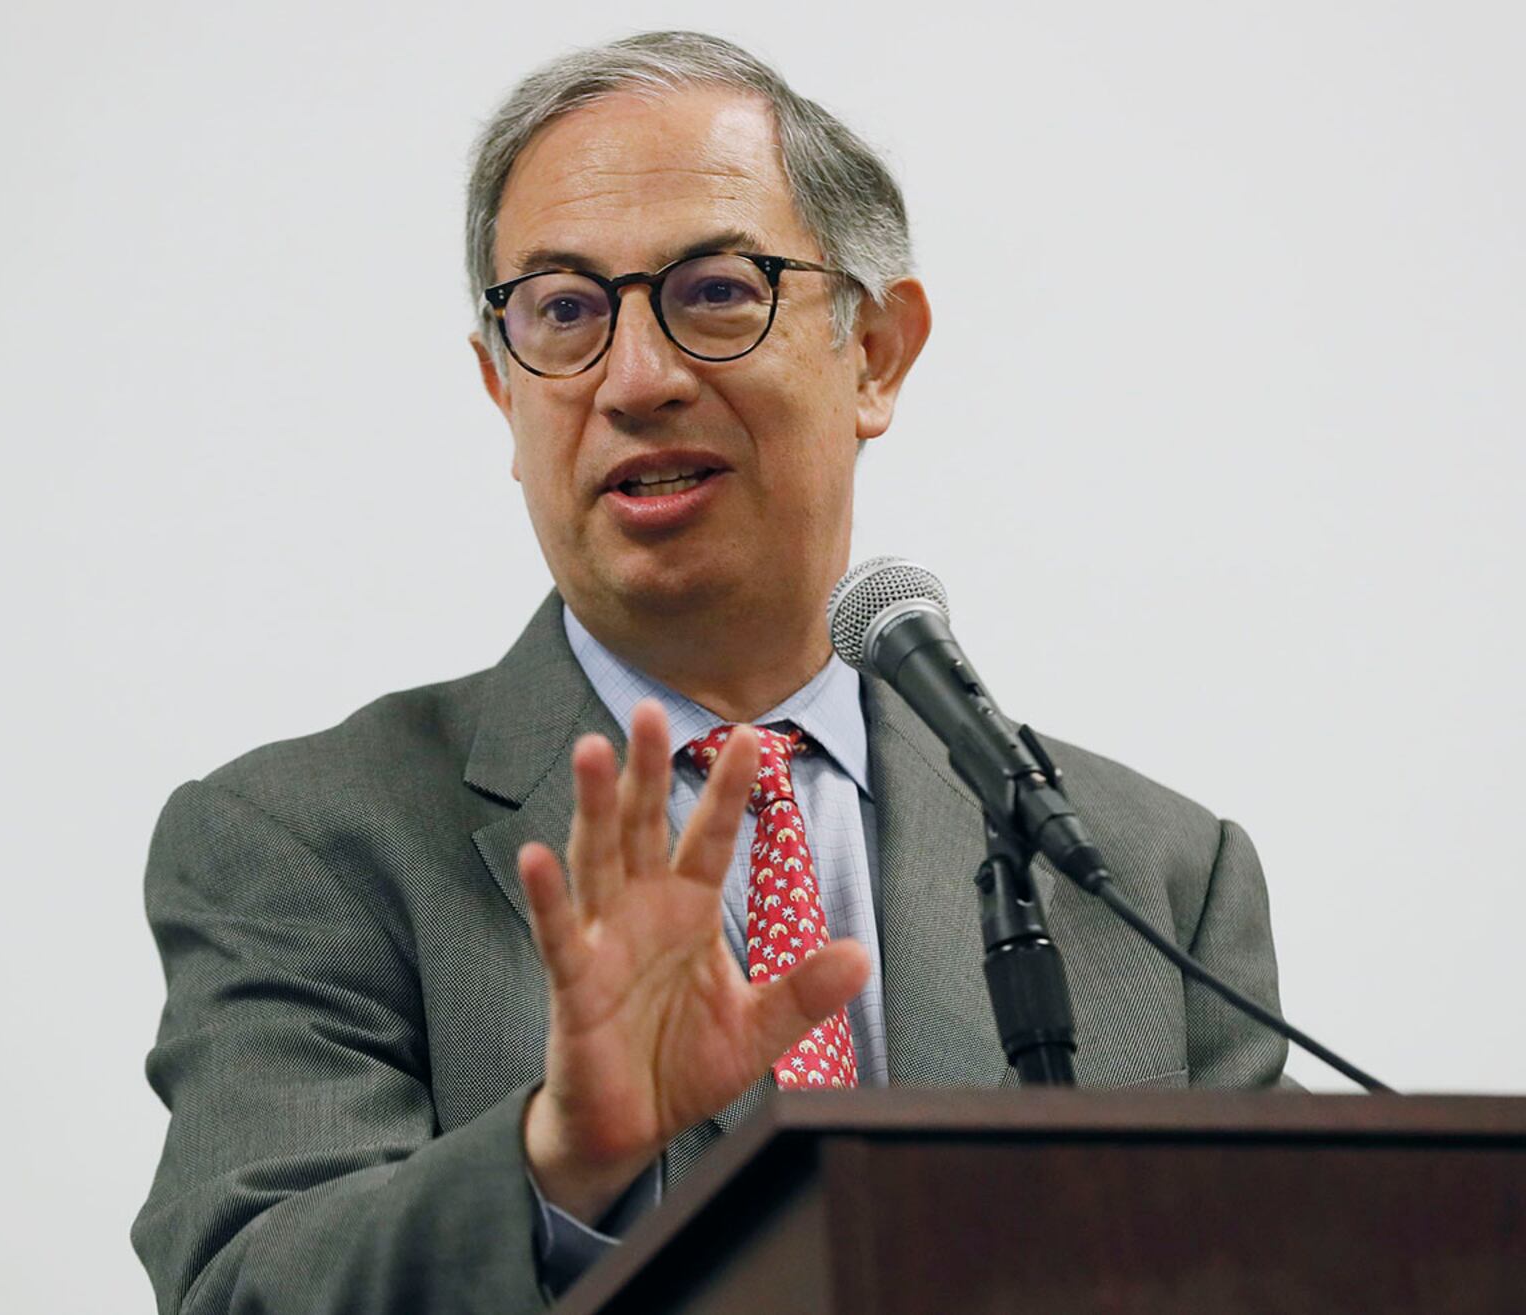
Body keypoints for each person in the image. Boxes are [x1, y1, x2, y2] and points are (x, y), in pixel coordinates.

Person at [132, 30, 1289, 1315]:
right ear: (498, 388)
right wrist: (560, 1160)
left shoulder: (1147, 871)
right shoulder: (307, 841)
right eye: (563, 313)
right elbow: (244, 1291)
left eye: (715, 290)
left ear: (875, 352)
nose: (637, 378)